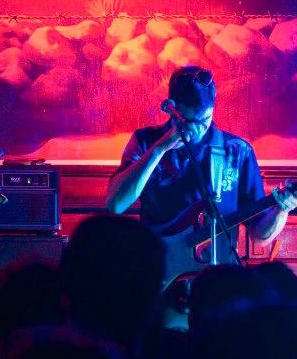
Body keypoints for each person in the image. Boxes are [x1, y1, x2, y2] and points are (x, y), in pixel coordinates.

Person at [106, 65, 297, 265]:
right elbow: (115, 204)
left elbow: (260, 236)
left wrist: (282, 209)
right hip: (158, 271)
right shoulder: (145, 140)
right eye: (192, 121)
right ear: (172, 108)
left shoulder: (237, 151)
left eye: (206, 118)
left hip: (218, 279)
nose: (201, 128)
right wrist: (159, 149)